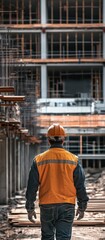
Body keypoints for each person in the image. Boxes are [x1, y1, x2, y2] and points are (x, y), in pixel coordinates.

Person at [25, 123, 89, 240]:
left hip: (46, 205)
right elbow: (80, 185)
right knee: (64, 237)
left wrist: (30, 208)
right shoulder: (73, 159)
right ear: (63, 139)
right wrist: (82, 206)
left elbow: (32, 187)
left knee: (47, 237)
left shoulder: (39, 160)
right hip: (67, 205)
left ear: (48, 140)